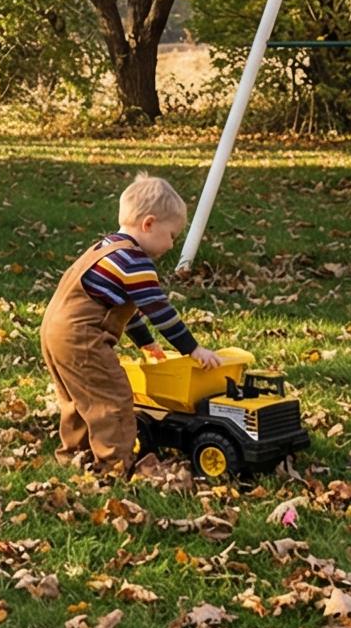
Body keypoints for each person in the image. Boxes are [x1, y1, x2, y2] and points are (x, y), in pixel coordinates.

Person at [38, 172, 222, 475]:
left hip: (54, 332)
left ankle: (73, 454)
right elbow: (159, 311)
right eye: (172, 235)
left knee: (78, 398)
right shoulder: (135, 261)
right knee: (111, 397)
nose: (171, 244)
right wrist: (193, 349)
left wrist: (146, 343)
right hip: (81, 337)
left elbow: (125, 307)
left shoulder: (107, 247)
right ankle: (113, 466)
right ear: (148, 224)